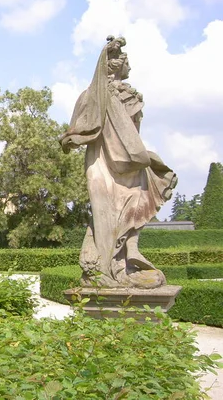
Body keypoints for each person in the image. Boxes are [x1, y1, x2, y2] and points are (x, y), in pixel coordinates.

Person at [59, 36, 177, 288]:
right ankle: (100, 271)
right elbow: (75, 129)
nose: (130, 69)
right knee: (103, 214)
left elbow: (132, 136)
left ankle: (125, 264)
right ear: (115, 66)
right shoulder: (91, 95)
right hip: (101, 162)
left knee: (133, 208)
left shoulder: (130, 96)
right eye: (127, 63)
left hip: (129, 166)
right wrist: (72, 138)